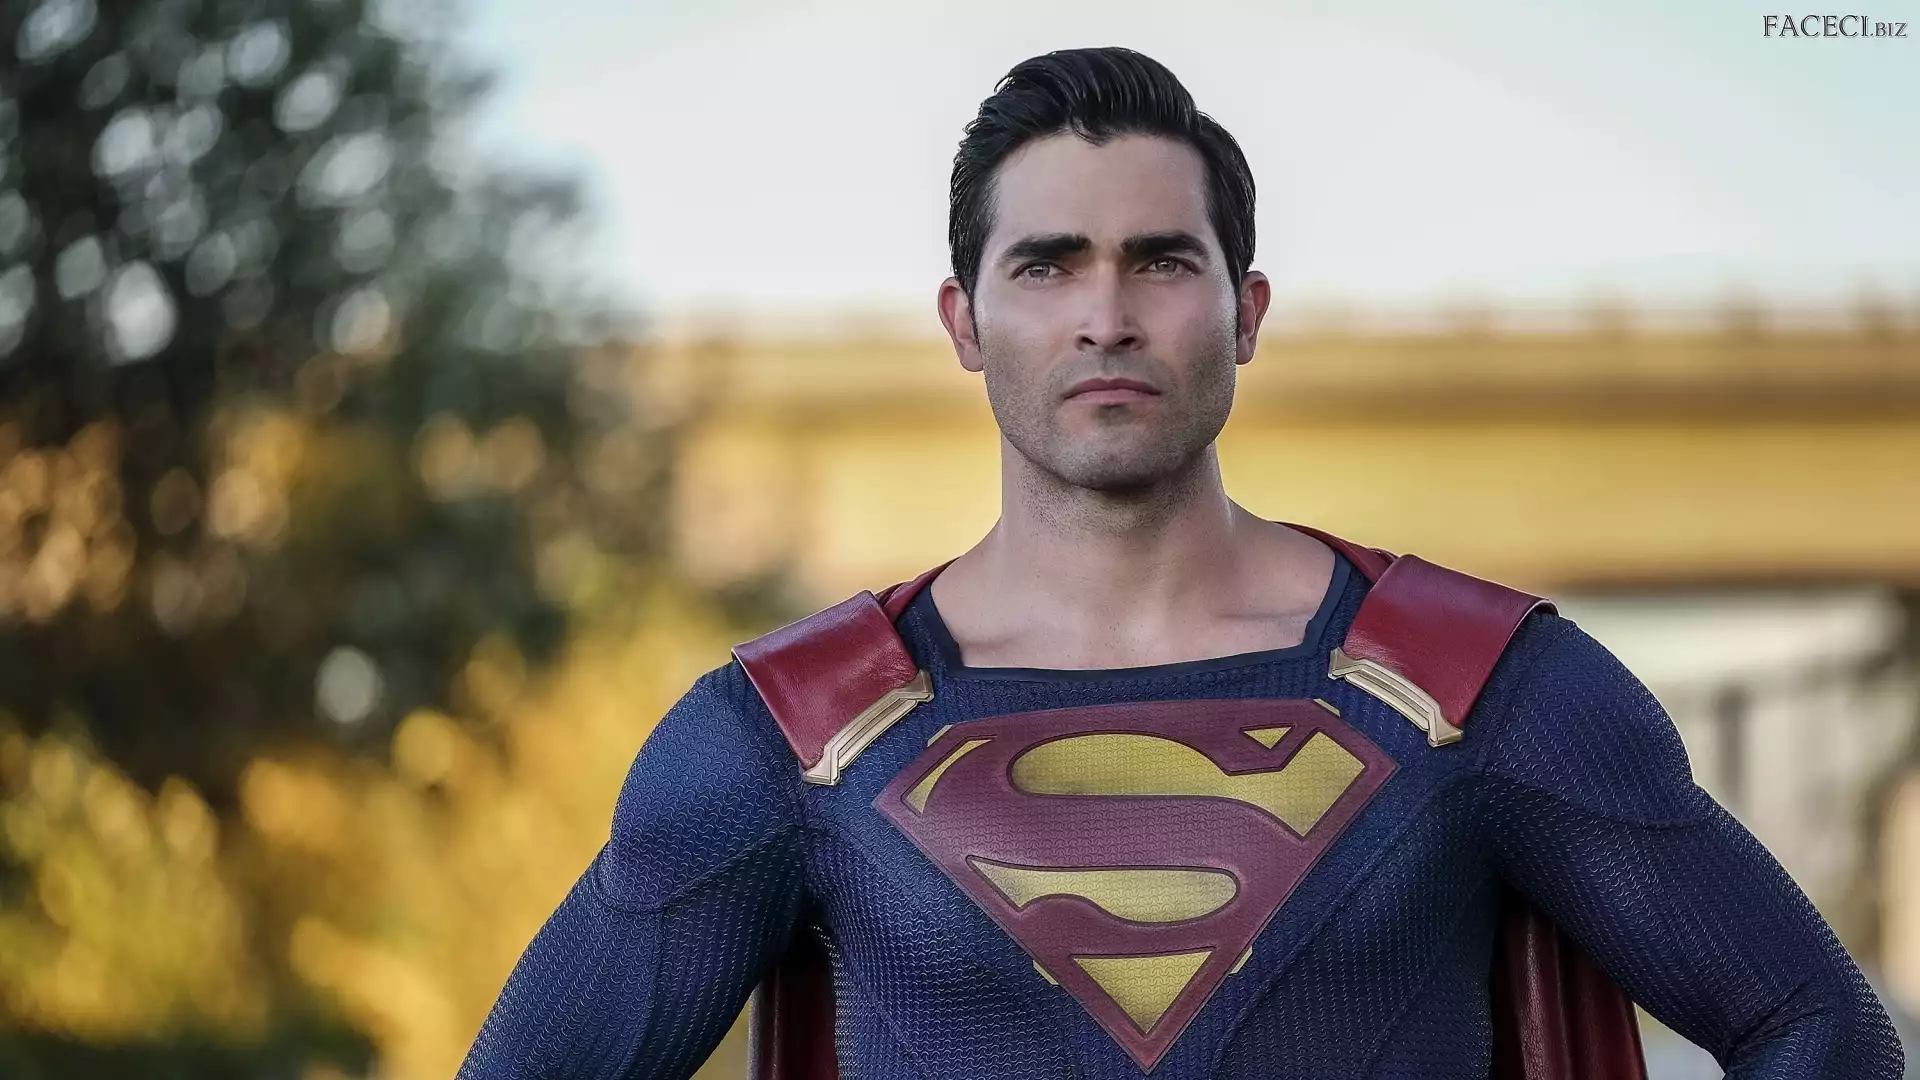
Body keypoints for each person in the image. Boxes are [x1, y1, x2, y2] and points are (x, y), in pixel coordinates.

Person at [457, 47, 1904, 1079]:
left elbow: (1815, 1026)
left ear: (1245, 310)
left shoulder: (1477, 692)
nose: (1106, 315)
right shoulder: (790, 738)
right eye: (1046, 265)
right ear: (965, 322)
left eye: (1160, 259)